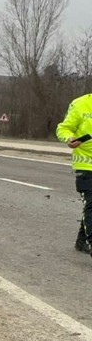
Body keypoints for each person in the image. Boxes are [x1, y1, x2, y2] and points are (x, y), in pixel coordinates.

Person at [57, 93, 92, 254]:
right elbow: (63, 127)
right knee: (91, 206)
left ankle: (82, 240)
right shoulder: (81, 103)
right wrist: (69, 138)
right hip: (87, 166)